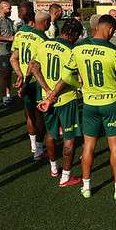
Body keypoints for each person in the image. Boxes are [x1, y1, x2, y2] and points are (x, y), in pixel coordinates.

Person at [47, 15, 116, 200]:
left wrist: (80, 86)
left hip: (89, 104)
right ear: (110, 30)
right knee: (115, 148)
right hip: (111, 104)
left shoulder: (79, 48)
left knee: (88, 146)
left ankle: (86, 187)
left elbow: (66, 75)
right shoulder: (114, 51)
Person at [29, 18, 84, 187]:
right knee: (69, 138)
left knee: (50, 134)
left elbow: (33, 66)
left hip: (46, 99)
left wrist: (46, 90)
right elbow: (67, 78)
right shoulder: (73, 50)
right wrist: (53, 94)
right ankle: (66, 177)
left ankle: (54, 168)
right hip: (66, 99)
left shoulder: (45, 44)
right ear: (74, 34)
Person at [11, 8, 49, 161]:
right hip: (36, 81)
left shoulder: (20, 34)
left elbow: (13, 58)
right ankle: (39, 150)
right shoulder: (43, 40)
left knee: (29, 114)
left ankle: (33, 145)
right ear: (46, 22)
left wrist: (19, 75)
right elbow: (36, 66)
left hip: (24, 81)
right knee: (40, 116)